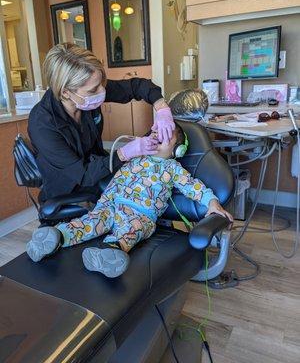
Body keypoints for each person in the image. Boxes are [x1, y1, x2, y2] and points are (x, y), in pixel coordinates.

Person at [26, 124, 233, 278]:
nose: (157, 135)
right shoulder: (135, 157)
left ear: (177, 150)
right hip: (109, 205)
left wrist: (212, 202)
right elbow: (107, 170)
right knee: (88, 223)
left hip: (140, 215)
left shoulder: (173, 168)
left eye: (165, 136)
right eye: (154, 133)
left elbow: (194, 187)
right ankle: (56, 237)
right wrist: (129, 151)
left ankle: (110, 252)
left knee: (132, 232)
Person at [28, 43, 175, 202]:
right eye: (93, 90)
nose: (102, 92)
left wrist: (162, 108)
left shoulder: (89, 90)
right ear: (65, 92)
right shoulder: (42, 124)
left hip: (98, 166)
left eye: (102, 83)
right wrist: (123, 153)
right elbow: (82, 175)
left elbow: (137, 86)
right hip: (70, 186)